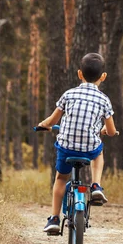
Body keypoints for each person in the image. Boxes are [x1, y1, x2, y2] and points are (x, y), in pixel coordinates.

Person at [37, 53, 117, 233]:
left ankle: (55, 219)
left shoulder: (69, 94)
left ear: (79, 74)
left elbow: (51, 120)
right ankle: (96, 185)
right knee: (99, 152)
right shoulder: (104, 100)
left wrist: (44, 125)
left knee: (60, 178)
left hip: (66, 148)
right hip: (89, 148)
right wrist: (105, 131)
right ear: (103, 77)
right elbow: (111, 131)